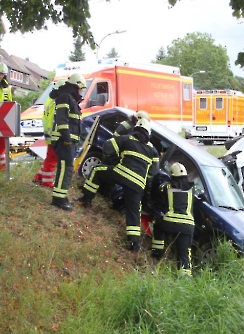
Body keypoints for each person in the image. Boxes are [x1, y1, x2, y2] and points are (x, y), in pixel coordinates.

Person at [74, 118, 160, 252]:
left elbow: (107, 147)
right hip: (138, 184)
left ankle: (86, 199)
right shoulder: (153, 151)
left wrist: (115, 154)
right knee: (134, 211)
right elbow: (153, 172)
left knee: (97, 170)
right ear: (148, 133)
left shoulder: (127, 139)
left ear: (136, 128)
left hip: (122, 173)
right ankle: (134, 243)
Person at [151, 162, 195, 277]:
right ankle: (185, 276)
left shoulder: (166, 187)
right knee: (184, 252)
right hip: (188, 225)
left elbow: (158, 194)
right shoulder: (192, 190)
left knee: (157, 224)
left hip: (171, 222)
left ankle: (157, 252)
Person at [50, 74, 86, 211]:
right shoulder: (65, 97)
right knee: (66, 168)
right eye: (80, 89)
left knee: (65, 168)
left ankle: (61, 196)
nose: (81, 92)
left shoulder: (69, 98)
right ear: (75, 86)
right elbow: (62, 120)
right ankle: (59, 199)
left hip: (68, 140)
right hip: (64, 140)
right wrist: (66, 138)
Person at [33, 79, 66, 188]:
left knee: (49, 158)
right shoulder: (57, 102)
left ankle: (39, 177)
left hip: (49, 133)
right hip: (54, 134)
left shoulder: (50, 99)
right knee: (52, 159)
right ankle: (46, 182)